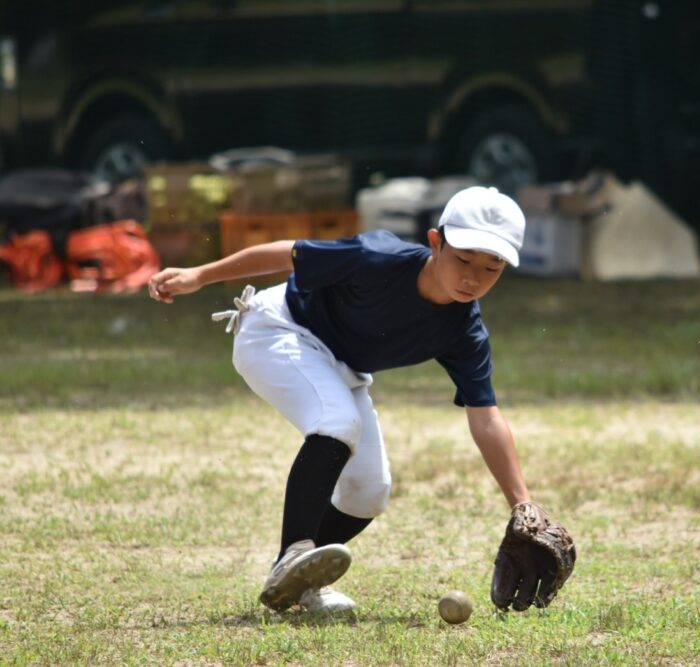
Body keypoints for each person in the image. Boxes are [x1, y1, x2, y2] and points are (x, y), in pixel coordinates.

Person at [147, 186, 575, 616]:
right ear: (435, 242)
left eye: (492, 267)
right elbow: (289, 254)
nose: (473, 277)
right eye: (463, 259)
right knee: (337, 422)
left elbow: (486, 418)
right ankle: (293, 555)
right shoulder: (378, 257)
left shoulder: (464, 332)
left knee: (369, 492)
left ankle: (297, 579)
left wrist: (523, 503)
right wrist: (199, 276)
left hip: (339, 367)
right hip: (277, 330)